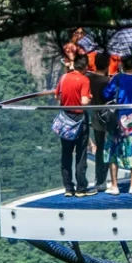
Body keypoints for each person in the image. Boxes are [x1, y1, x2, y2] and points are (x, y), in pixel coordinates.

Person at [102, 51, 132, 195]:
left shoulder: (117, 78)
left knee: (114, 150)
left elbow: (106, 94)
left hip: (118, 118)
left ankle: (114, 185)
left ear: (122, 64)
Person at [55, 45, 92, 196]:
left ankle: (68, 188)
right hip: (79, 119)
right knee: (81, 154)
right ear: (85, 67)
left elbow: (58, 97)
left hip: (65, 118)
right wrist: (89, 97)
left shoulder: (63, 78)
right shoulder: (84, 80)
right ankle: (81, 188)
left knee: (66, 154)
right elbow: (84, 102)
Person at [86, 47, 111, 191]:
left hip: (95, 117)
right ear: (107, 64)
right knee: (108, 147)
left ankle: (98, 179)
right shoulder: (108, 81)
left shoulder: (89, 78)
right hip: (108, 117)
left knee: (100, 147)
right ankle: (105, 179)